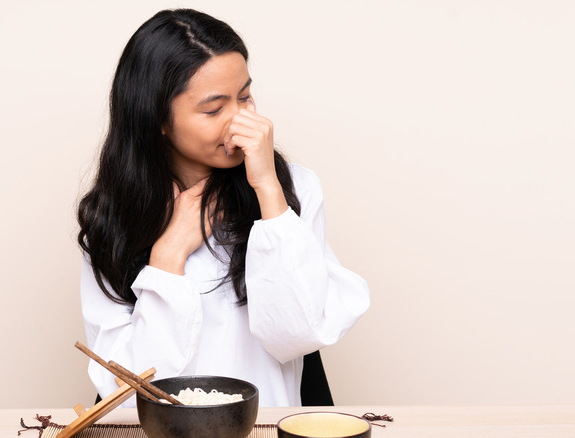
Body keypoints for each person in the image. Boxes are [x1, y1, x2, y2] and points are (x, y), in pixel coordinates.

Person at [77, 8, 369, 407]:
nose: (240, 121)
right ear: (157, 118)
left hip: (267, 427)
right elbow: (125, 393)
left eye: (245, 96)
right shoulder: (112, 216)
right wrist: (168, 256)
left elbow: (299, 334)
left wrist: (268, 189)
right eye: (214, 109)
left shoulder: (293, 189)